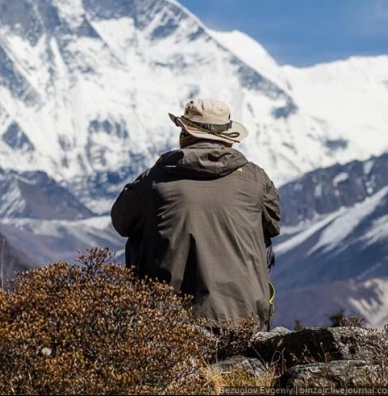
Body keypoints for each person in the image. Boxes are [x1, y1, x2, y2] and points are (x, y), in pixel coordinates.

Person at [111, 98, 281, 330]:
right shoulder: (256, 179)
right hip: (245, 321)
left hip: (171, 324)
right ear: (228, 140)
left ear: (185, 135)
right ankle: (246, 308)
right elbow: (274, 223)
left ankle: (150, 310)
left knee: (137, 236)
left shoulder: (153, 180)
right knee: (262, 236)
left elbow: (121, 222)